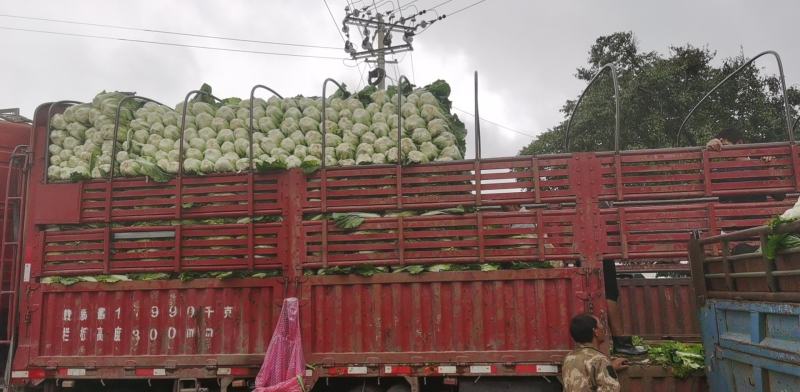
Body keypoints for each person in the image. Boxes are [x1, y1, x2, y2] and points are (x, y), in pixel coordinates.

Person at [562, 314, 629, 392]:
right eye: (600, 325)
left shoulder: (569, 358)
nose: (603, 328)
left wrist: (609, 368)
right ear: (595, 331)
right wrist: (608, 368)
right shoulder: (599, 359)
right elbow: (611, 390)